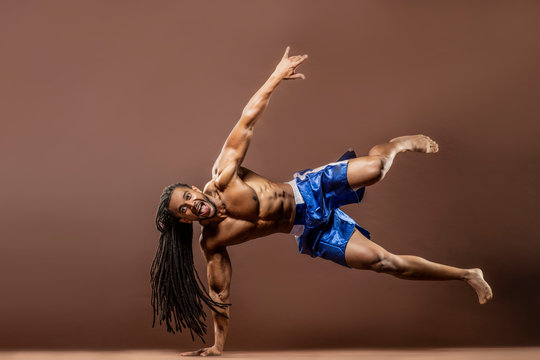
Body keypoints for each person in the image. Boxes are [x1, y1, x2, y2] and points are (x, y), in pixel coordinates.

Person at [151, 47, 493, 357]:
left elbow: (247, 121)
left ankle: (399, 144)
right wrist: (217, 346)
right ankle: (467, 274)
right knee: (384, 263)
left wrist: (275, 76)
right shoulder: (213, 241)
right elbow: (220, 293)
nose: (191, 205)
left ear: (196, 189)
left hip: (310, 190)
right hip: (310, 230)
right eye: (183, 209)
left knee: (376, 168)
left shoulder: (223, 177)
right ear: (184, 220)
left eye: (188, 197)